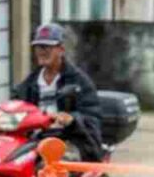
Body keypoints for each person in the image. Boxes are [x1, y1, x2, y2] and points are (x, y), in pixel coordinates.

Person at [13, 23, 103, 162]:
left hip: (69, 141)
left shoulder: (79, 82)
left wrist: (72, 119)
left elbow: (92, 117)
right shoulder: (28, 84)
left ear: (61, 49)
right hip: (35, 141)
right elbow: (15, 106)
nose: (42, 51)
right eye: (38, 47)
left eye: (47, 47)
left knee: (54, 166)